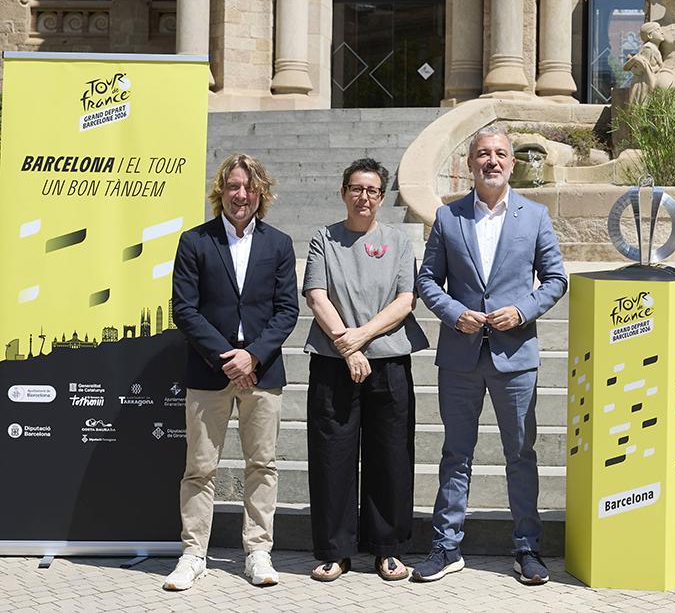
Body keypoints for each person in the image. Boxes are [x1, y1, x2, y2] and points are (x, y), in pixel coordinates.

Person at [413, 125, 567, 585]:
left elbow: (557, 279)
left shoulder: (534, 216)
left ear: (512, 163)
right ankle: (446, 547)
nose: (492, 161)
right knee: (456, 453)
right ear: (469, 163)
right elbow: (426, 281)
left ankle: (526, 549)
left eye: (500, 154)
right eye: (483, 154)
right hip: (460, 356)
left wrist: (522, 310)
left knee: (520, 454)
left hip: (514, 356)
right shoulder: (447, 217)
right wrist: (455, 313)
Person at [165, 153, 299, 591]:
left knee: (262, 465)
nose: (240, 195)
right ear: (220, 191)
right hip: (209, 371)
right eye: (233, 187)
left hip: (262, 372)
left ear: (261, 193)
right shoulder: (195, 241)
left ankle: (258, 551)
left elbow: (286, 311)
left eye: (249, 187)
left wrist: (253, 357)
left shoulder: (278, 244)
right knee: (199, 467)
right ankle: (193, 554)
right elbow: (183, 309)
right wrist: (228, 356)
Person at [302, 158, 429, 583]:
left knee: (391, 457)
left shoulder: (397, 242)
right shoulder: (325, 238)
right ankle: (335, 551)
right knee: (332, 458)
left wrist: (362, 339)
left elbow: (404, 300)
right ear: (343, 192)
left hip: (389, 361)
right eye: (356, 188)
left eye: (373, 190)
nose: (364, 197)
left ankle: (388, 549)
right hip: (332, 364)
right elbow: (317, 296)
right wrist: (347, 346)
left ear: (381, 197)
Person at [624, 22, 664, 103]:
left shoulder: (655, 48)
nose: (662, 32)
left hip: (648, 83)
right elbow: (640, 70)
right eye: (658, 30)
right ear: (650, 35)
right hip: (642, 85)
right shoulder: (648, 49)